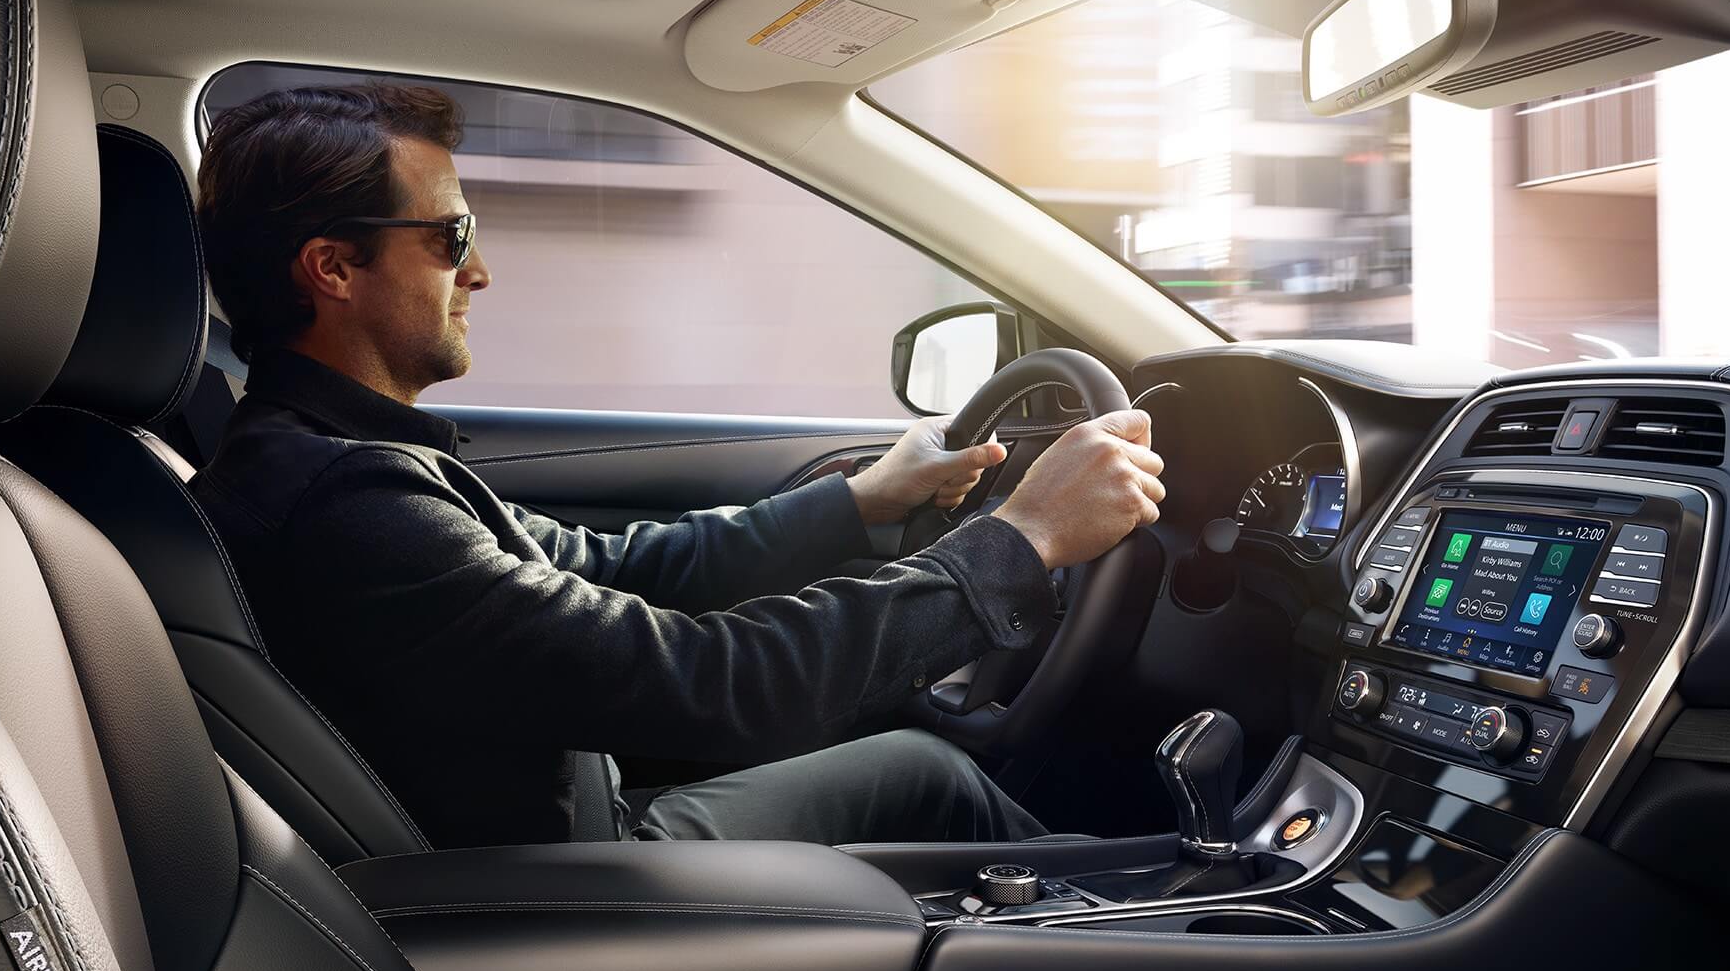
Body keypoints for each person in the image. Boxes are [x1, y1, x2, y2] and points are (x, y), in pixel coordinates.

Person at [189, 82, 1165, 849]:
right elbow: (711, 682)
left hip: (553, 818)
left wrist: (865, 500)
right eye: (452, 238)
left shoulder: (333, 458)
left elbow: (611, 570)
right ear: (333, 268)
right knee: (929, 776)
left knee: (915, 766)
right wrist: (1021, 540)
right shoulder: (348, 504)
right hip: (551, 886)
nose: (480, 272)